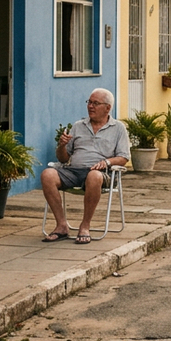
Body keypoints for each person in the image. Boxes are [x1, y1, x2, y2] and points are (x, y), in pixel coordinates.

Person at [40, 88, 130, 244]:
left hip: (102, 173)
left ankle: (85, 226)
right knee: (47, 175)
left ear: (107, 108)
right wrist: (61, 146)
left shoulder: (118, 128)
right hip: (73, 171)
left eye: (95, 103)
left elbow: (124, 157)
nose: (90, 106)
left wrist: (107, 162)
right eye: (89, 102)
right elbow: (63, 158)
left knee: (94, 176)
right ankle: (61, 226)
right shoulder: (78, 125)